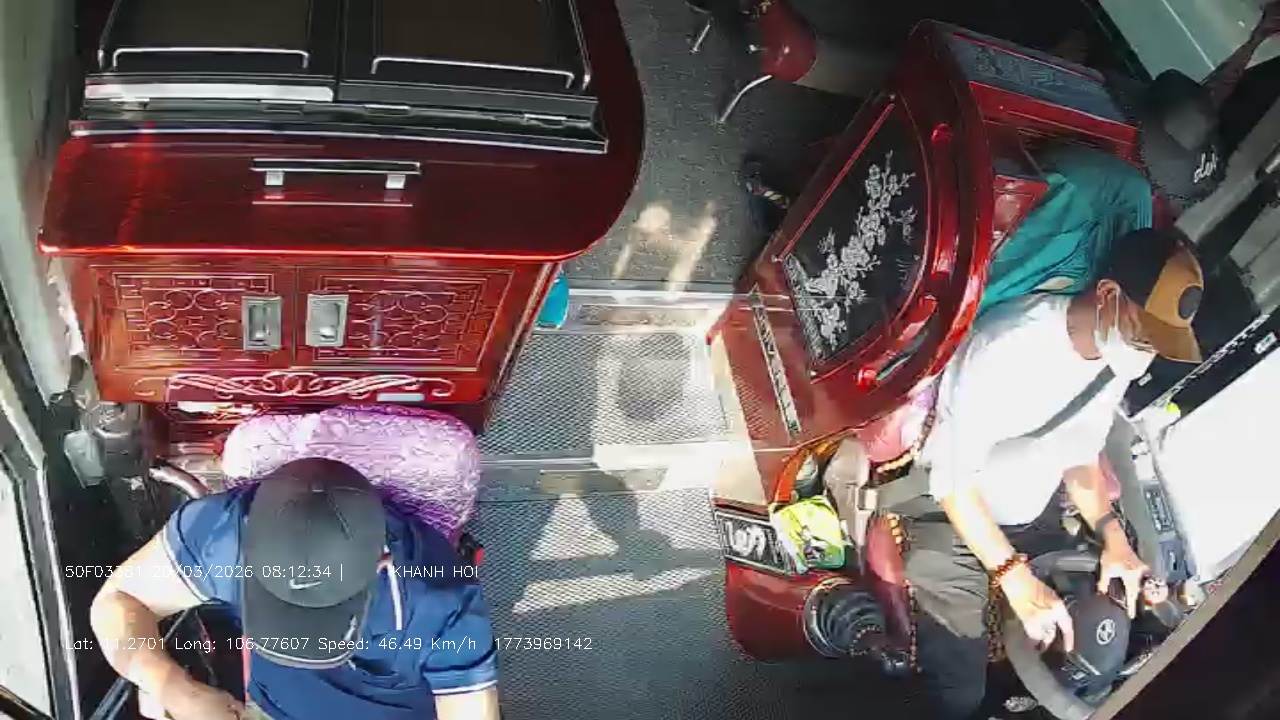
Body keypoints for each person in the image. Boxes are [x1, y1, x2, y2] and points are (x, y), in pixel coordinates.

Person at [831, 227, 1205, 719]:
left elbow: (1079, 452)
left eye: (1159, 342)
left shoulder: (1112, 364)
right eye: (1145, 332)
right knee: (959, 694)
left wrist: (1113, 536)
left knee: (1103, 627)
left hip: (1032, 516)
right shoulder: (1009, 347)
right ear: (1109, 295)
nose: (1149, 350)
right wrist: (1015, 577)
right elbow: (951, 481)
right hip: (948, 515)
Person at [90, 457, 500, 720]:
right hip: (268, 706)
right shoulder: (221, 533)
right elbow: (120, 600)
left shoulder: (439, 602)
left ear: (381, 560)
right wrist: (170, 684)